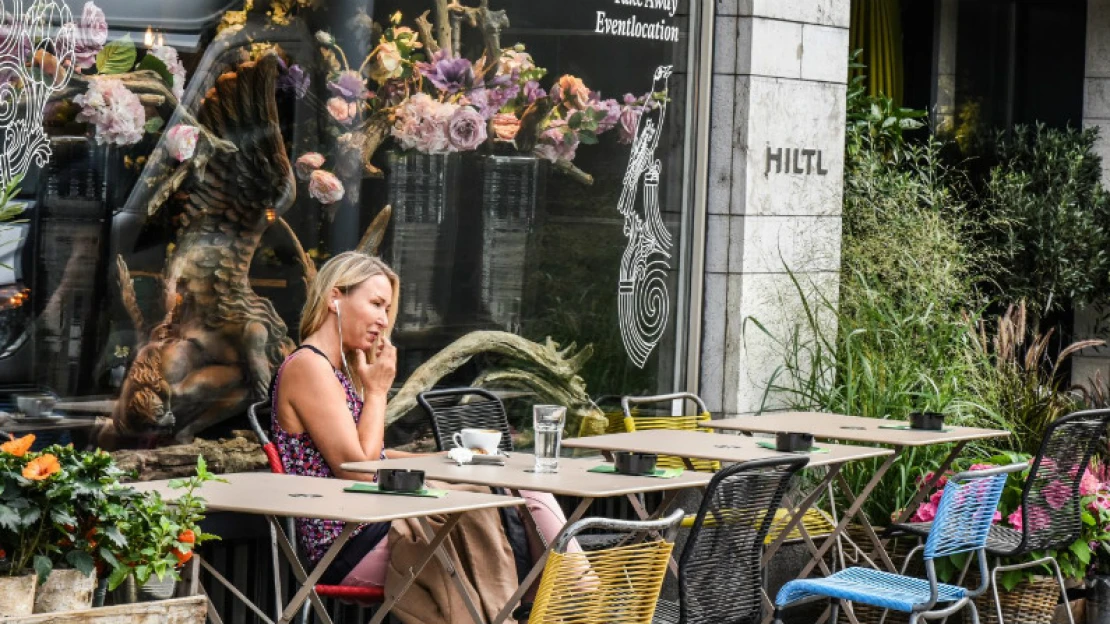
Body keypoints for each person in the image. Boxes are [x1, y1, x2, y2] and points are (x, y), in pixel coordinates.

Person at [270, 251, 572, 621]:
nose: (383, 321)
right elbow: (359, 471)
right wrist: (378, 392)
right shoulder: (309, 366)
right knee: (485, 508)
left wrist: (449, 462)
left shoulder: (339, 370)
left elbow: (374, 456)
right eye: (377, 304)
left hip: (379, 519)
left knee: (515, 484)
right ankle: (565, 599)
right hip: (347, 541)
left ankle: (564, 598)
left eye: (388, 310)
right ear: (335, 297)